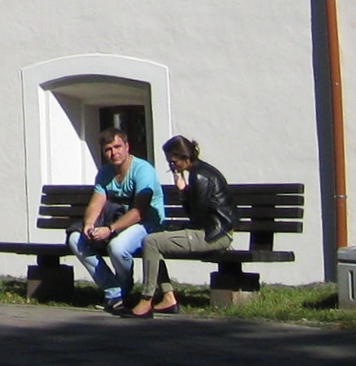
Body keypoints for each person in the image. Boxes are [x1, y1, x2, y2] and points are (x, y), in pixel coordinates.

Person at [130, 135, 237, 317]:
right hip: (212, 231)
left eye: (173, 161)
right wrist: (185, 192)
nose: (172, 166)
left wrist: (183, 192)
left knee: (151, 242)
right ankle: (168, 298)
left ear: (185, 158)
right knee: (155, 242)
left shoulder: (200, 176)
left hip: (214, 235)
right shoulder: (199, 172)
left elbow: (198, 218)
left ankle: (147, 299)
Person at [68, 125, 162, 311]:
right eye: (108, 150)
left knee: (117, 247)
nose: (114, 153)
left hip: (147, 223)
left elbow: (139, 212)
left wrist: (110, 230)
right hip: (116, 221)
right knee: (75, 239)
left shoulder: (143, 170)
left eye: (117, 147)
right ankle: (114, 291)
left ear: (127, 146)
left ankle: (124, 289)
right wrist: (89, 224)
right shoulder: (104, 174)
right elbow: (96, 203)